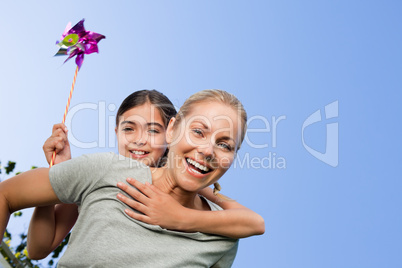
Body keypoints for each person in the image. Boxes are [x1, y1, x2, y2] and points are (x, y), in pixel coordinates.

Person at [0, 89, 264, 267]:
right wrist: (57, 172)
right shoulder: (104, 171)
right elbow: (38, 248)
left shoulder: (221, 228)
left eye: (226, 145)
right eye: (129, 128)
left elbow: (254, 222)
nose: (139, 140)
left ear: (166, 134)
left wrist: (182, 215)